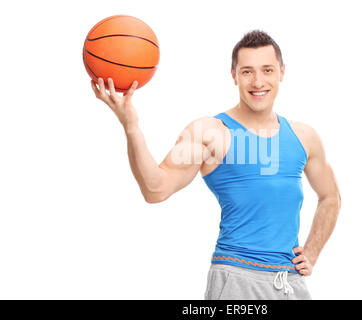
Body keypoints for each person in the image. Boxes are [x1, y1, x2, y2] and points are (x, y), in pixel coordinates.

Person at [90, 30, 341, 300]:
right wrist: (131, 126)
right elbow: (155, 189)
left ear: (281, 72)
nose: (258, 82)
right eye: (247, 72)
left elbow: (330, 197)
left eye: (267, 70)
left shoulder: (305, 137)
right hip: (236, 280)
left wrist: (311, 252)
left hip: (290, 282)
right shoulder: (210, 132)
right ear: (233, 75)